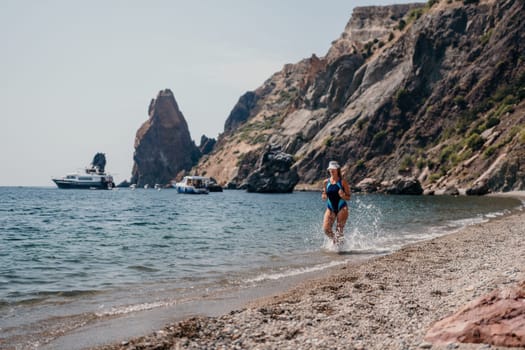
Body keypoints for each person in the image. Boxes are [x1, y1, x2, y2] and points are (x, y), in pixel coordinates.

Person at [321, 161, 351, 244]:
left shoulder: (343, 182)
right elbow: (324, 193)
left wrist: (343, 196)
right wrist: (324, 195)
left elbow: (349, 197)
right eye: (330, 169)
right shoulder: (326, 182)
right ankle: (337, 243)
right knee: (326, 229)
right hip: (330, 207)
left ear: (337, 170)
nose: (331, 171)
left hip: (342, 207)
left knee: (339, 230)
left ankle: (340, 249)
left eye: (333, 169)